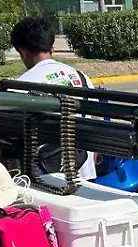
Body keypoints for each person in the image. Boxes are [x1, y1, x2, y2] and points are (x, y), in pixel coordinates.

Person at [10, 16, 96, 180]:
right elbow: (93, 118)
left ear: (23, 51)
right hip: (86, 171)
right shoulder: (80, 76)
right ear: (51, 46)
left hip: (49, 177)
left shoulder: (21, 84)